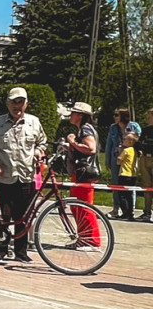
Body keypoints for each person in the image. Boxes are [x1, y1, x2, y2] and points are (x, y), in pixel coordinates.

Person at [0, 87, 47, 262]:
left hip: (26, 177)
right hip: (4, 178)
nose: (17, 106)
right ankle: (0, 252)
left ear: (26, 103)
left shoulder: (34, 122)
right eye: (14, 102)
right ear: (7, 104)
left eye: (21, 102)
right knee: (4, 217)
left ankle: (21, 253)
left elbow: (43, 142)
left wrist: (39, 152)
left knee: (23, 217)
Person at [66, 102, 101, 248]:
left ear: (81, 115)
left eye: (74, 112)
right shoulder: (86, 128)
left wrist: (72, 142)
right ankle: (84, 238)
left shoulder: (85, 129)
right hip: (83, 173)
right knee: (77, 207)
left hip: (84, 173)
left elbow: (90, 148)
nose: (71, 115)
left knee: (83, 207)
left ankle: (91, 240)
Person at [105, 108, 141, 218]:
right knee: (116, 183)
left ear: (123, 116)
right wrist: (108, 160)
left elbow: (139, 141)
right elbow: (109, 144)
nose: (114, 117)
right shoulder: (113, 128)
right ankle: (116, 208)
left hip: (130, 158)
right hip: (116, 157)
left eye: (117, 115)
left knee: (129, 185)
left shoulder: (134, 126)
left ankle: (130, 209)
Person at [116, 133, 138, 220]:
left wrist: (119, 151)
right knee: (129, 195)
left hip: (124, 174)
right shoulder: (134, 151)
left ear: (130, 141)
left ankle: (125, 212)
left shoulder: (126, 151)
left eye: (125, 139)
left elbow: (118, 161)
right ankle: (130, 212)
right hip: (132, 175)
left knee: (122, 195)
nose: (123, 140)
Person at [137, 108, 153, 221]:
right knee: (147, 186)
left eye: (150, 116)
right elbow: (139, 143)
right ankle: (147, 212)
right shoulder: (146, 130)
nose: (148, 118)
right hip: (145, 158)